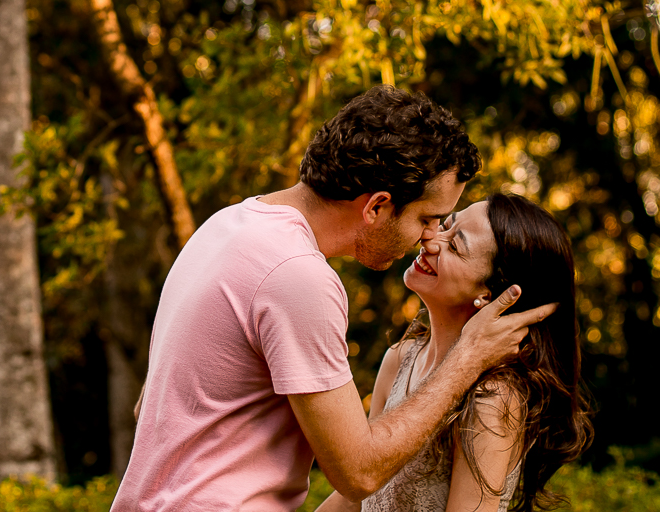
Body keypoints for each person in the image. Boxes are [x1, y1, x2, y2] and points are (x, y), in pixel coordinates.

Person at [111, 87, 557, 511]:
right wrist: (468, 357)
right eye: (428, 217)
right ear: (377, 206)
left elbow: (152, 401)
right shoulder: (298, 276)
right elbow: (358, 475)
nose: (428, 237)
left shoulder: (227, 226)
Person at [317, 193, 592, 512]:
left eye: (455, 245)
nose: (431, 240)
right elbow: (358, 492)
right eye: (444, 225)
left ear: (489, 294)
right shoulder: (400, 357)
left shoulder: (493, 397)